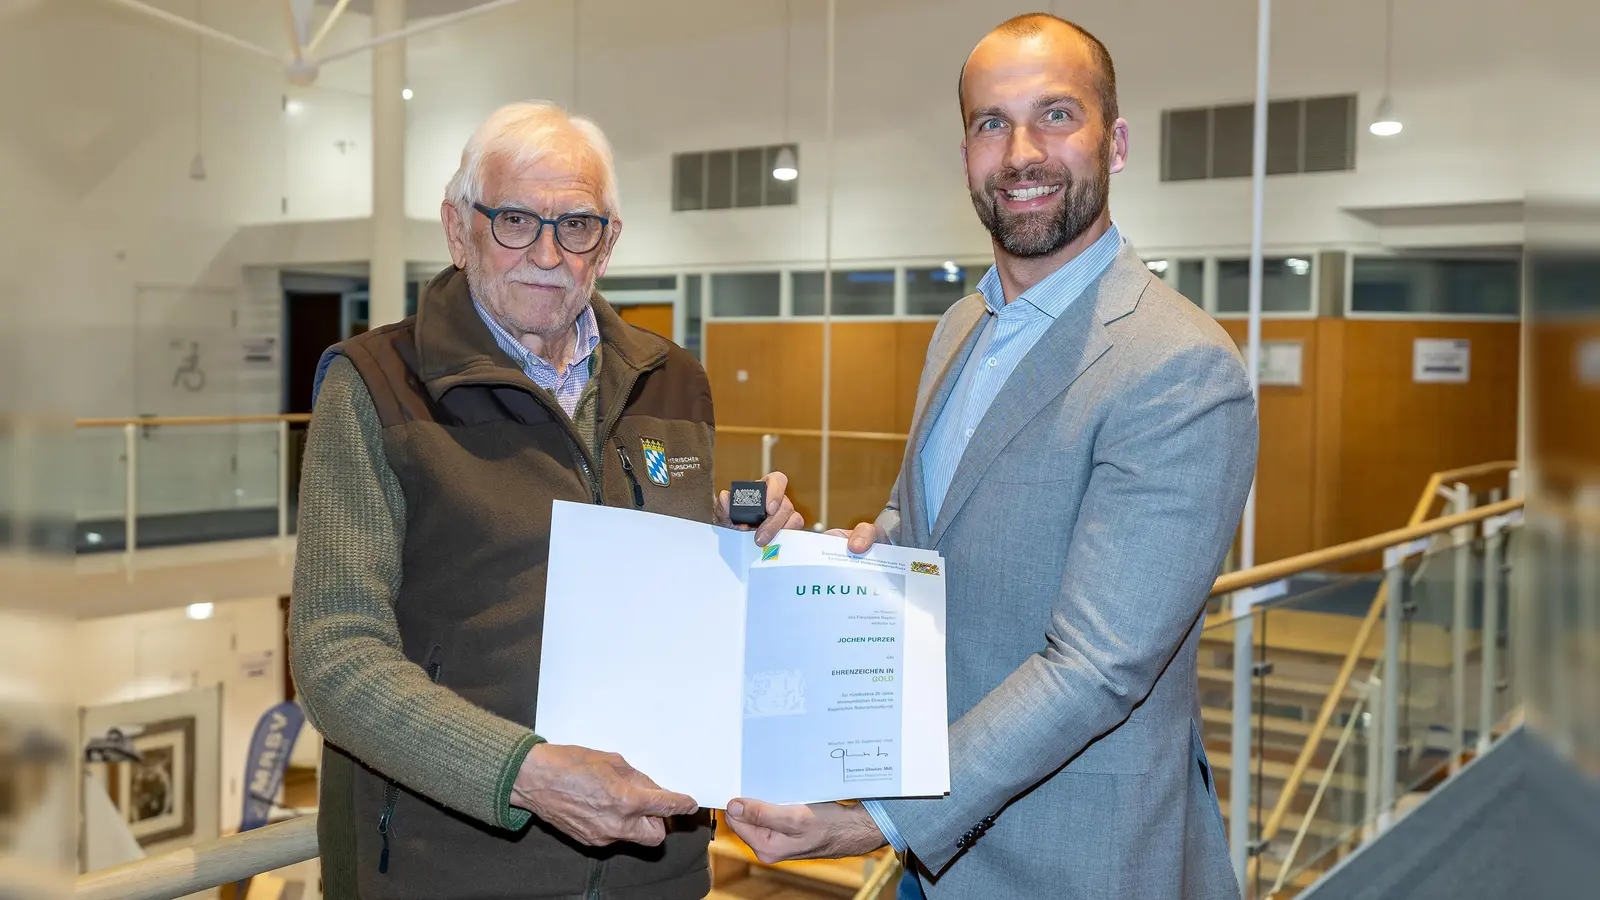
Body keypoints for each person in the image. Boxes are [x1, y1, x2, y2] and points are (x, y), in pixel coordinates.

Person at [723, 14, 1257, 900]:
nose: (1021, 152)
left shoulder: (1179, 365)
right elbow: (922, 528)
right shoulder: (962, 327)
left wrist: (875, 819)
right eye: (990, 122)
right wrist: (817, 557)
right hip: (939, 858)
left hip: (1076, 862)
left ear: (1114, 142)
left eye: (1056, 115)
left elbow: (1096, 666)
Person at [289, 101, 803, 900]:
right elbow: (335, 657)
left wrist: (738, 544)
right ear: (459, 230)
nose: (547, 253)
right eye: (516, 220)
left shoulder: (671, 378)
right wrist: (521, 774)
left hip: (653, 872)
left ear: (609, 243)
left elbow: (672, 594)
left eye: (577, 226)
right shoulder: (375, 386)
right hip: (450, 869)